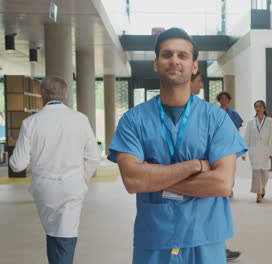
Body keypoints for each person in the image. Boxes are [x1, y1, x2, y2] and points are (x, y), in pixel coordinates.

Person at [107, 28, 247, 264]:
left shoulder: (217, 119)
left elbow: (222, 183)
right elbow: (132, 180)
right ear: (156, 63)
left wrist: (154, 178)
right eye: (167, 54)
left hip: (205, 236)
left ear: (194, 66)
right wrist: (195, 166)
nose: (174, 60)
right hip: (154, 236)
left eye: (182, 55)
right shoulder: (133, 120)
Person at [9, 76, 101, 264]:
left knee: (53, 233)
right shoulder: (80, 119)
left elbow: (18, 164)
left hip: (44, 188)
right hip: (72, 186)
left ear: (42, 94)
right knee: (65, 235)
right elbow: (94, 156)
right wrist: (81, 180)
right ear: (66, 94)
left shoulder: (31, 123)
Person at [190, 71, 242, 262]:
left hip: (217, 163)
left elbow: (234, 133)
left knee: (213, 212)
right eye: (199, 81)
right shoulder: (208, 113)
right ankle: (219, 249)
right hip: (204, 172)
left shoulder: (216, 114)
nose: (202, 85)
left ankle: (221, 249)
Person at [242, 100, 272, 203]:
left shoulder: (270, 121)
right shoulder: (251, 122)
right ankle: (258, 195)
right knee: (256, 172)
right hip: (254, 151)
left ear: (264, 108)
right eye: (256, 106)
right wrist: (244, 152)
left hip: (266, 151)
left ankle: (263, 187)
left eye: (260, 106)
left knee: (265, 173)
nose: (258, 108)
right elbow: (246, 138)